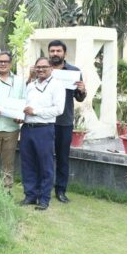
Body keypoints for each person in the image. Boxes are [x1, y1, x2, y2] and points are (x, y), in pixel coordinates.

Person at [20, 57, 65, 211]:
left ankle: (44, 199)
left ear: (51, 68)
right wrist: (20, 116)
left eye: (44, 67)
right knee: (28, 163)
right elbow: (24, 105)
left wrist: (35, 111)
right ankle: (30, 195)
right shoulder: (30, 86)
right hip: (27, 128)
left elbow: (59, 109)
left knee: (45, 165)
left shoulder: (57, 85)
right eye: (38, 67)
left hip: (44, 129)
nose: (40, 70)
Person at [49, 40, 87, 203]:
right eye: (52, 51)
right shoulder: (43, 69)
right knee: (44, 155)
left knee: (63, 158)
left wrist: (82, 90)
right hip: (44, 120)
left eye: (58, 51)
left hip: (64, 121)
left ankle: (60, 190)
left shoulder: (74, 71)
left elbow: (79, 98)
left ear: (65, 53)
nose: (55, 54)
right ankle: (41, 187)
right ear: (48, 52)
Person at [0, 52, 26, 192]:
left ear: (11, 63)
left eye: (5, 61)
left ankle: (7, 189)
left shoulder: (20, 81)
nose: (2, 64)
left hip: (11, 127)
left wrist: (21, 116)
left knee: (8, 161)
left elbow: (24, 100)